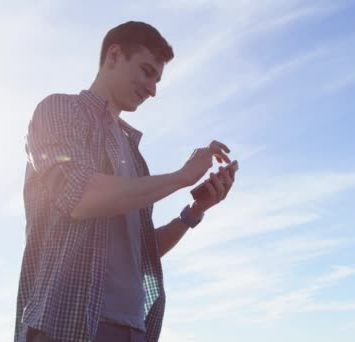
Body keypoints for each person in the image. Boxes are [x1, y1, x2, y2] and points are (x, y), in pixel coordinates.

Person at [14, 21, 236, 342]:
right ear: (114, 55)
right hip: (66, 325)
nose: (153, 89)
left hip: (134, 329)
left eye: (157, 80)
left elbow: (143, 253)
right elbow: (79, 196)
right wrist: (181, 177)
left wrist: (194, 211)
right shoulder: (59, 110)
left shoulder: (135, 156)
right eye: (146, 71)